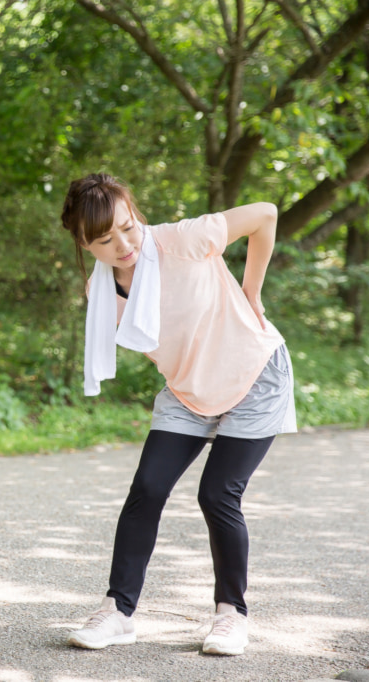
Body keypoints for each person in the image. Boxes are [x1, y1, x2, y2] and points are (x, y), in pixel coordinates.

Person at [59, 173, 296, 656]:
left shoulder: (184, 240)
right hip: (189, 390)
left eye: (128, 227)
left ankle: (231, 615)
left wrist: (251, 291)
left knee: (217, 494)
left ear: (135, 214)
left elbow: (265, 214)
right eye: (105, 240)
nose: (124, 244)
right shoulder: (100, 292)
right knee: (147, 488)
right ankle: (118, 612)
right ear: (84, 242)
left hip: (255, 376)